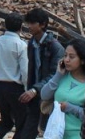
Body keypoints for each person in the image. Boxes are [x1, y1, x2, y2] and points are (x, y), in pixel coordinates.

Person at [17, 8, 64, 139]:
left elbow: (55, 74)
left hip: (48, 96)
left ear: (42, 24)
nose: (29, 26)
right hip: (35, 93)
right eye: (28, 23)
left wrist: (35, 90)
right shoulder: (32, 43)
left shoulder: (55, 47)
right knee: (28, 130)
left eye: (33, 23)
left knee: (47, 130)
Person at [40, 39, 85, 139]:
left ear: (82, 60)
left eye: (72, 57)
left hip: (77, 135)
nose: (67, 60)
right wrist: (57, 75)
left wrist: (71, 108)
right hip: (55, 132)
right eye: (65, 55)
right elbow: (44, 95)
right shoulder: (62, 76)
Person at [0, 13, 28, 139]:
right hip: (15, 88)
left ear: (5, 26)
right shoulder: (21, 45)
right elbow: (25, 71)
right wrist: (27, 89)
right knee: (23, 122)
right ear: (21, 28)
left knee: (6, 120)